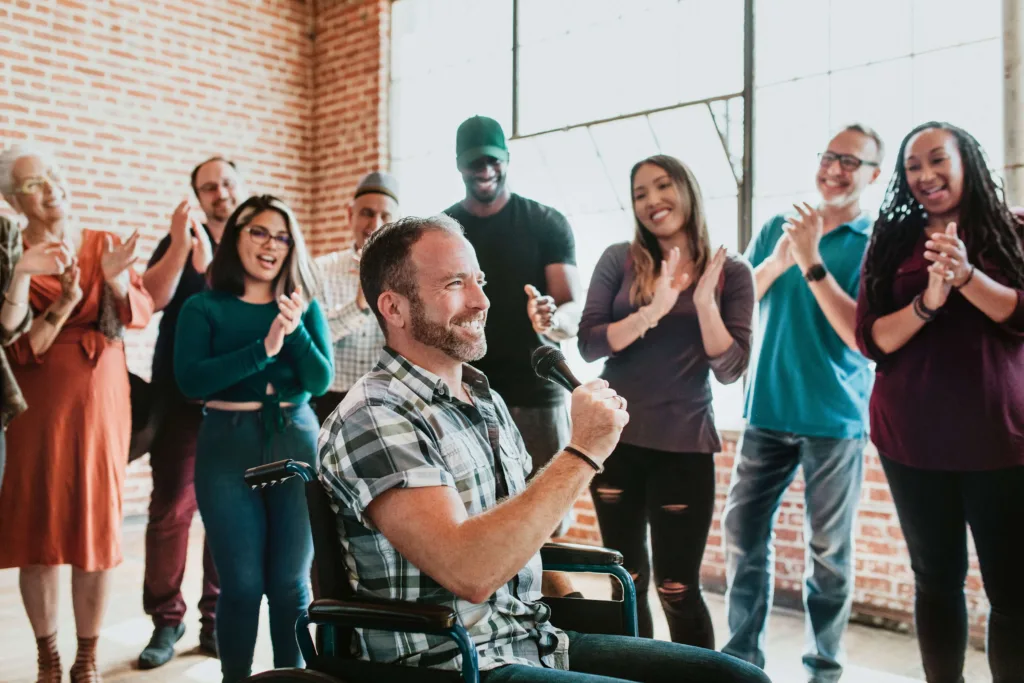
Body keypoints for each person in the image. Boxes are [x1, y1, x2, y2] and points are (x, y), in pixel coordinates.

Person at [317, 215, 771, 683]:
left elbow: (516, 530)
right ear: (394, 308)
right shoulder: (375, 416)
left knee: (741, 680)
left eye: (480, 280)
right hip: (453, 664)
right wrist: (583, 452)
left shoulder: (483, 398)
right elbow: (470, 571)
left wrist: (566, 598)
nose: (481, 300)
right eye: (455, 283)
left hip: (535, 641)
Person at [855, 122, 1024, 683]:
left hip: (1003, 442)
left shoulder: (1013, 232)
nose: (925, 175)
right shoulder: (892, 240)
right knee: (935, 580)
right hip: (913, 440)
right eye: (912, 167)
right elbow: (872, 338)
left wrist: (966, 276)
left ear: (967, 161)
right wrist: (929, 301)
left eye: (937, 160)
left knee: (1013, 590)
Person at [721, 124, 883, 682]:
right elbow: (738, 303)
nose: (835, 169)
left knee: (829, 555)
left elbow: (859, 335)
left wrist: (811, 259)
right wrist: (782, 257)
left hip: (835, 422)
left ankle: (824, 666)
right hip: (766, 411)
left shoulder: (874, 244)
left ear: (873, 176)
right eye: (828, 156)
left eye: (851, 161)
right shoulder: (775, 228)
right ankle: (742, 660)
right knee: (742, 537)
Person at [577, 154, 755, 647]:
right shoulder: (620, 259)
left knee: (677, 588)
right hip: (616, 442)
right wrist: (652, 310)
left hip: (685, 445)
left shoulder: (732, 271)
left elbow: (731, 369)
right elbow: (589, 343)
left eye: (662, 186)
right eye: (640, 194)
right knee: (627, 583)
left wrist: (701, 303)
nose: (652, 200)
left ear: (687, 188)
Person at [0, 144, 154, 683]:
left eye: (54, 175)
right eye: (33, 183)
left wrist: (113, 279)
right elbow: (9, 337)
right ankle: (48, 656)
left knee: (94, 528)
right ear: (12, 201)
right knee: (35, 531)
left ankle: (87, 657)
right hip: (34, 403)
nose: (51, 187)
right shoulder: (7, 253)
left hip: (100, 399)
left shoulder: (102, 244)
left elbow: (138, 313)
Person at [174, 194, 333, 683]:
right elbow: (191, 381)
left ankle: (291, 678)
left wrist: (294, 329)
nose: (271, 245)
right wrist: (264, 349)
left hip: (296, 442)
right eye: (259, 232)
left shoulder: (303, 306)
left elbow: (320, 379)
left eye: (282, 236)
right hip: (227, 444)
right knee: (241, 585)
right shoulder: (203, 306)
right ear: (237, 237)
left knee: (290, 584)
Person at [137, 155, 247, 668]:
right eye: (209, 187)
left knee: (226, 516)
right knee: (170, 512)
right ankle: (166, 620)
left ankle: (215, 620)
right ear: (198, 196)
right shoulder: (179, 238)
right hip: (180, 400)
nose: (220, 192)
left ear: (239, 186)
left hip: (239, 401)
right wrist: (181, 243)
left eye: (226, 183)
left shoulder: (258, 243)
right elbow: (152, 301)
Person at [443, 116, 581, 512]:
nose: (485, 171)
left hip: (536, 395)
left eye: (493, 160)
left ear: (506, 159)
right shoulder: (445, 230)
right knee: (472, 515)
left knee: (545, 518)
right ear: (459, 165)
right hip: (464, 393)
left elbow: (571, 304)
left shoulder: (544, 222)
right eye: (474, 162)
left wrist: (551, 319)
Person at [313, 171, 399, 425]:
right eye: (366, 213)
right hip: (330, 401)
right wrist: (360, 305)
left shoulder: (408, 275)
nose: (375, 223)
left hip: (389, 399)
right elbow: (315, 337)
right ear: (350, 214)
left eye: (385, 216)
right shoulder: (321, 270)